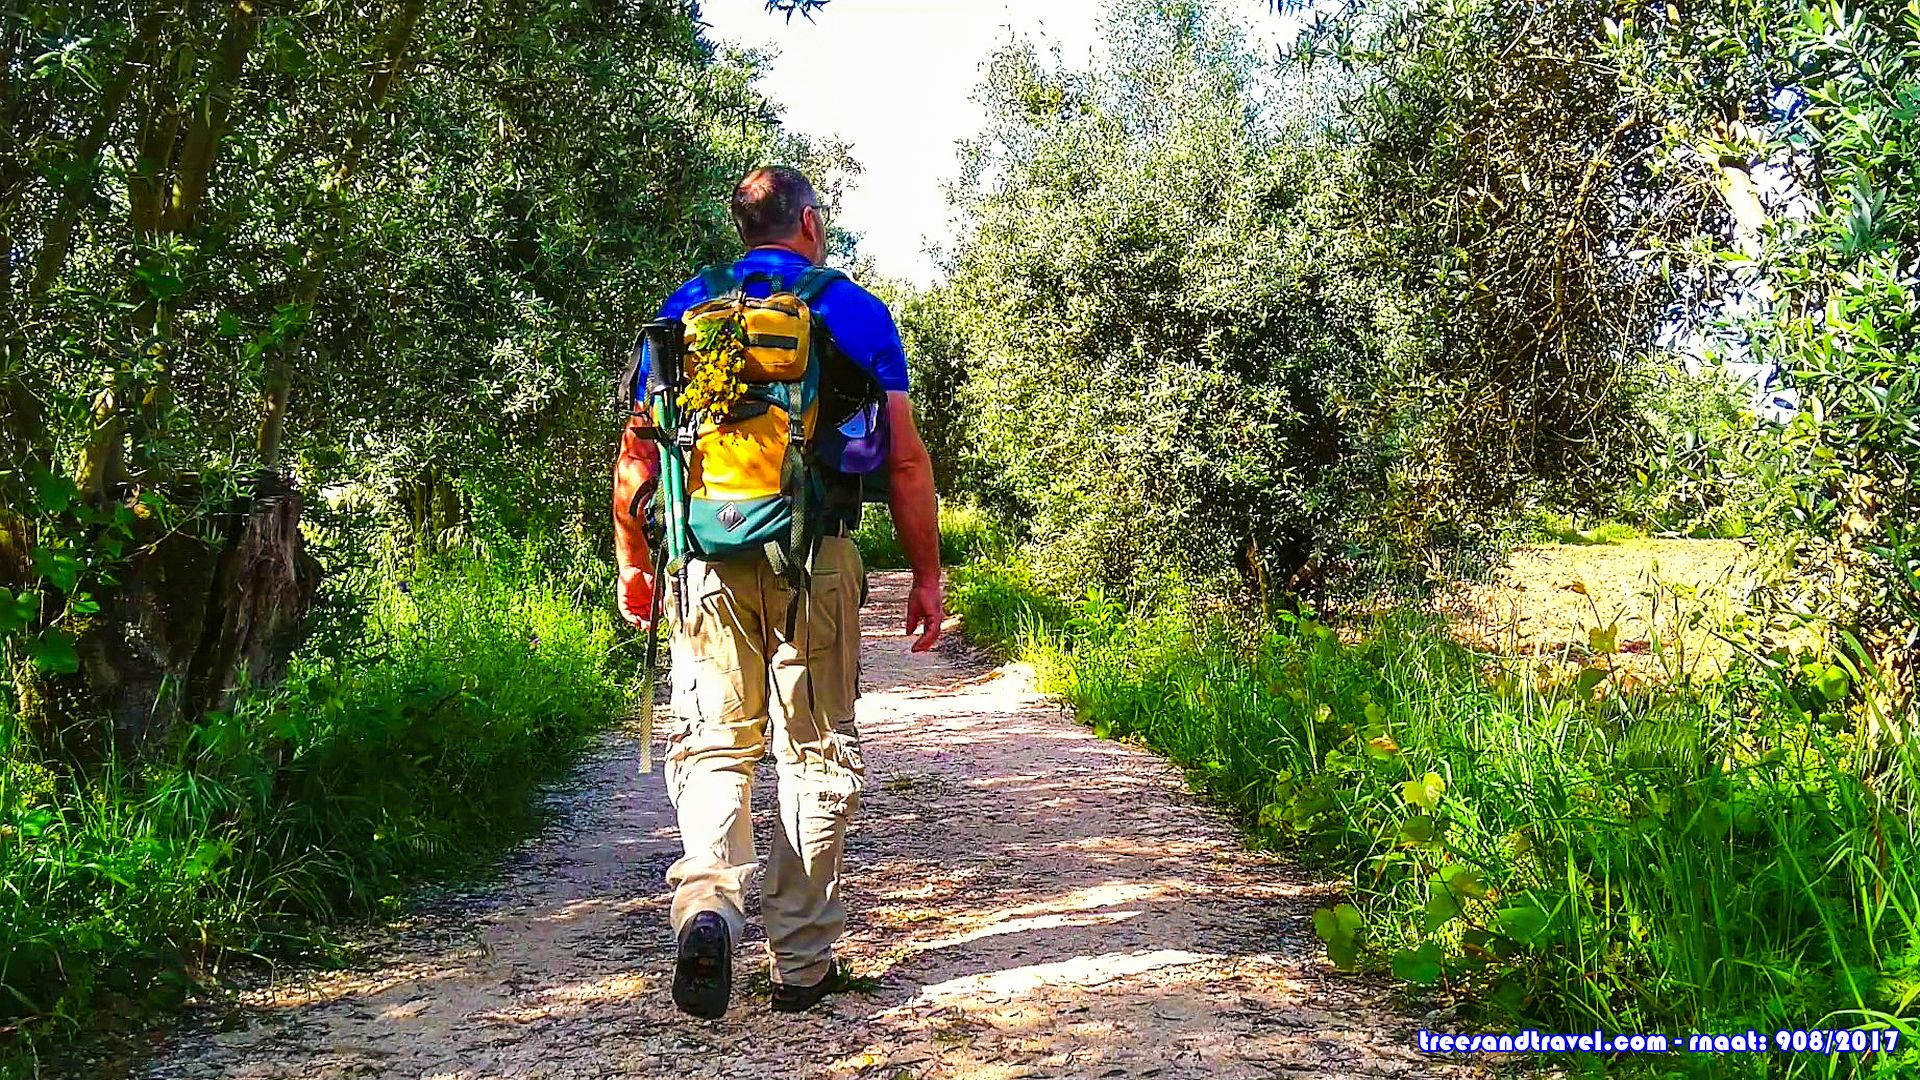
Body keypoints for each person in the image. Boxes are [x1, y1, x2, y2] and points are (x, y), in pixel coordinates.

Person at [612, 166, 944, 1018]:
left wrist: (635, 563)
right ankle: (800, 964)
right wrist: (926, 573)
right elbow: (905, 459)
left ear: (743, 229)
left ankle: (709, 907)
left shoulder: (688, 306)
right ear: (811, 223)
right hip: (816, 554)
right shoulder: (853, 310)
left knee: (715, 747)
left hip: (705, 559)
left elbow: (636, 458)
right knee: (815, 751)